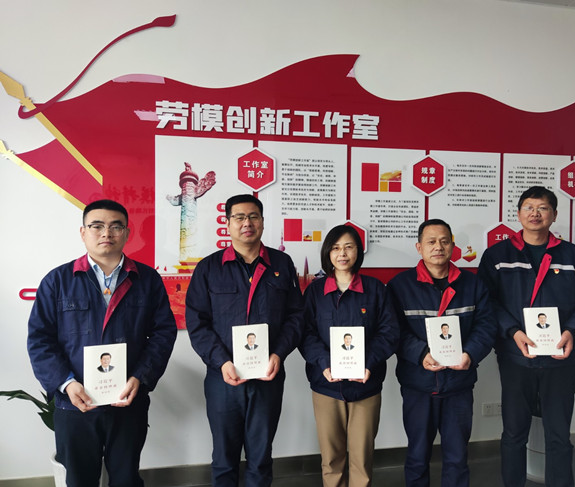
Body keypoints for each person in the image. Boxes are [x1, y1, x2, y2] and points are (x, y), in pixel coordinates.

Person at [27, 199, 177, 487]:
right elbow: (40, 339)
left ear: (127, 233)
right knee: (79, 480)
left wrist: (140, 377)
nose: (106, 233)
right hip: (75, 404)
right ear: (83, 232)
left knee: (126, 478)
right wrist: (67, 384)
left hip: (127, 400)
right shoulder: (58, 281)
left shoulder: (147, 279)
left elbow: (163, 333)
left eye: (116, 226)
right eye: (97, 226)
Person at [477, 186, 575, 487]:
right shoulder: (498, 256)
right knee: (513, 433)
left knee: (559, 435)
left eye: (543, 208)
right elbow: (486, 302)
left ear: (554, 215)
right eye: (529, 207)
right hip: (516, 358)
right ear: (519, 213)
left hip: (560, 359)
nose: (535, 213)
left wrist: (572, 331)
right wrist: (513, 332)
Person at [185, 194, 303, 487]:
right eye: (239, 217)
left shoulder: (282, 263)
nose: (246, 223)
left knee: (260, 457)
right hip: (223, 378)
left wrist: (279, 353)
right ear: (227, 223)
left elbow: (296, 316)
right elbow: (197, 323)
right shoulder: (209, 268)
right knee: (224, 457)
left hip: (267, 377)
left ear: (262, 222)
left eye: (253, 216)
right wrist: (221, 362)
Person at [387, 218, 496, 487]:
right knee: (417, 454)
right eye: (431, 242)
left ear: (452, 246)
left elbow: (486, 326)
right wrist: (420, 353)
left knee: (457, 456)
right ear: (419, 247)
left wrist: (470, 353)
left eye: (445, 241)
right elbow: (393, 331)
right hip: (418, 384)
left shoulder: (472, 284)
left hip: (458, 384)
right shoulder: (400, 286)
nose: (438, 247)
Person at [300, 225, 398, 487]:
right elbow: (305, 333)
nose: (342, 253)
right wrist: (324, 363)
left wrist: (368, 363)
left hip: (365, 384)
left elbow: (389, 332)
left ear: (358, 251)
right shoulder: (315, 291)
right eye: (335, 248)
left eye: (348, 247)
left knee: (361, 457)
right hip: (326, 386)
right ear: (327, 253)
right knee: (331, 458)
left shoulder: (375, 289)